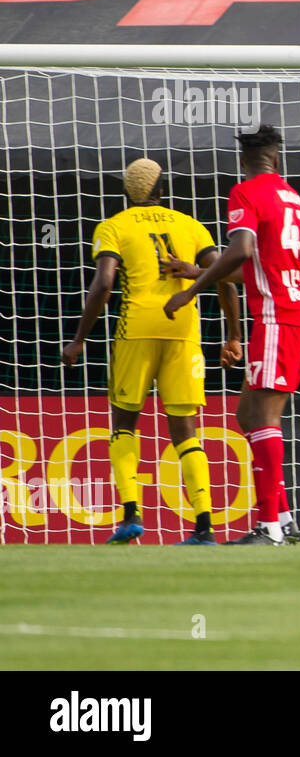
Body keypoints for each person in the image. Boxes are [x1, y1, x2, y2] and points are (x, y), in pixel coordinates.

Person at [60, 157, 242, 546]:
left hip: (137, 329)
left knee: (124, 422)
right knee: (185, 431)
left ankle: (130, 517)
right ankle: (205, 526)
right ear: (163, 189)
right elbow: (227, 278)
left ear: (128, 192)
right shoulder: (190, 225)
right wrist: (233, 336)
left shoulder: (113, 226)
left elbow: (104, 284)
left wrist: (79, 338)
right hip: (183, 331)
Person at [164, 125, 300, 546]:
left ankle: (269, 526)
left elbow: (240, 252)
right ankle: (285, 518)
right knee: (248, 415)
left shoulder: (246, 193)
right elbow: (257, 267)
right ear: (277, 158)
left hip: (278, 317)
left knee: (264, 418)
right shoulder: (294, 198)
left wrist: (190, 294)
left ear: (243, 161)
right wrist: (198, 271)